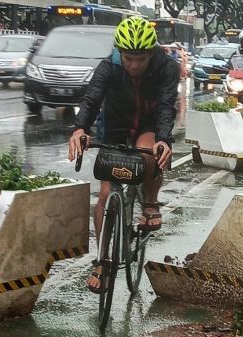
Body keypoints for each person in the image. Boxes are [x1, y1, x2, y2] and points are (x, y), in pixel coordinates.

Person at [68, 16, 179, 294]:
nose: (134, 65)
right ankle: (101, 260)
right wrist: (80, 128)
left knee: (150, 153)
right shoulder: (109, 66)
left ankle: (150, 203)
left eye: (140, 58)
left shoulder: (167, 67)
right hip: (114, 126)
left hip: (149, 125)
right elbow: (92, 99)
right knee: (106, 194)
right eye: (128, 58)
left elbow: (167, 105)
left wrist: (164, 139)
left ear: (151, 53)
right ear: (120, 53)